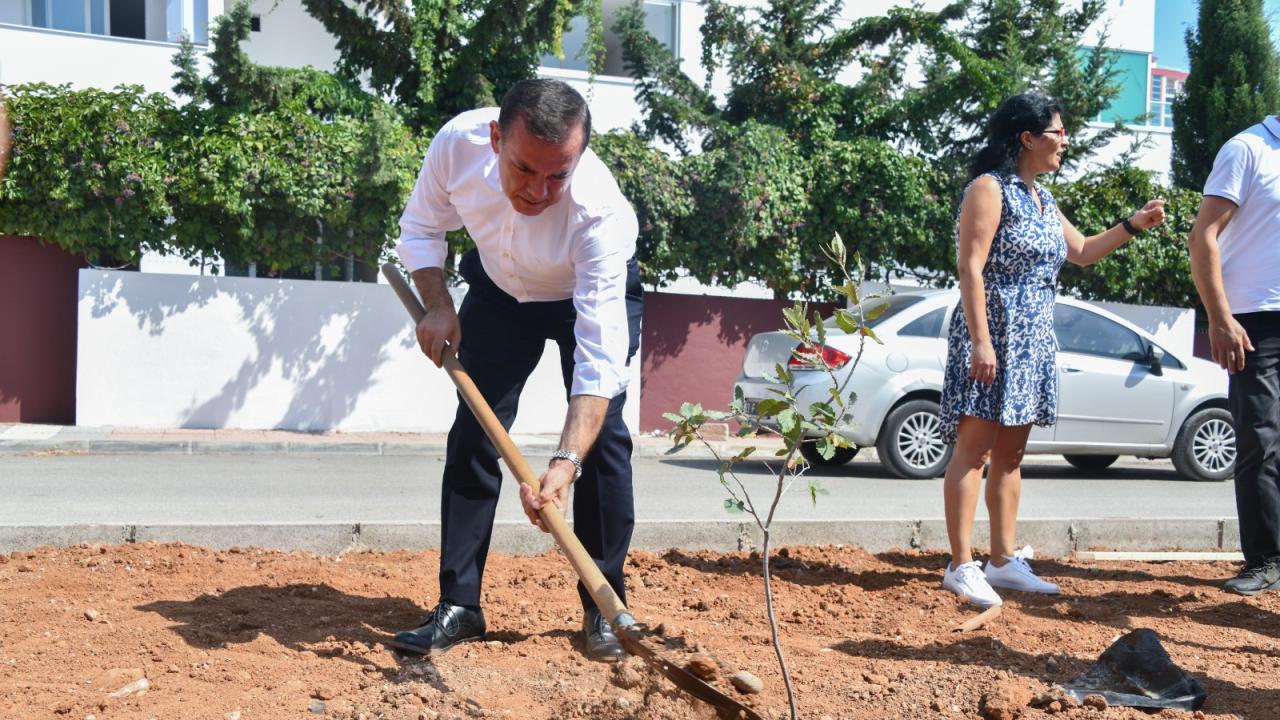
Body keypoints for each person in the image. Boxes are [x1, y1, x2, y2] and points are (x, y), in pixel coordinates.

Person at [389, 79, 642, 660]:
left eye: (559, 175)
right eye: (525, 169)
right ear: (496, 137)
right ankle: (460, 605)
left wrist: (565, 461)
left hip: (582, 291)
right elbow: (423, 229)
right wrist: (437, 303)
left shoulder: (600, 215)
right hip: (500, 291)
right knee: (474, 436)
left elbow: (599, 363)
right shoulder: (457, 143)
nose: (540, 191)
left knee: (603, 448)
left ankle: (603, 606)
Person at [937, 92, 1166, 607]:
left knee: (1012, 455)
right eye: (1059, 132)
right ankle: (960, 564)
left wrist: (1133, 224)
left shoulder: (1040, 196)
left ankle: (1002, 561)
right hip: (994, 331)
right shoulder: (989, 189)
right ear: (1027, 137)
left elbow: (1081, 252)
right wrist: (981, 340)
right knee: (972, 451)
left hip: (1034, 338)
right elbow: (970, 267)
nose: (1066, 141)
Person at [1188, 115, 1280, 596]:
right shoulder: (1247, 150)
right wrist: (1220, 318)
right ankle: (1266, 560)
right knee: (1260, 439)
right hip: (1255, 320)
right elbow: (1203, 235)